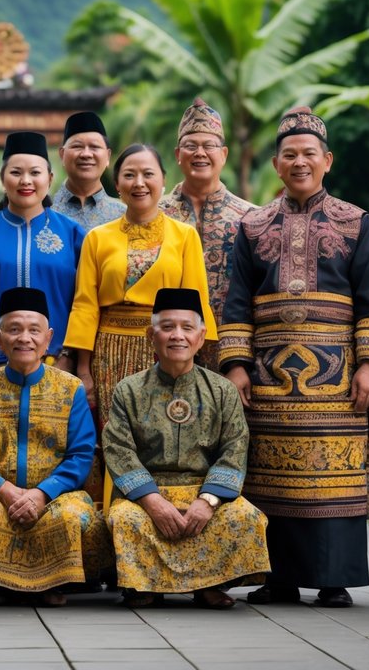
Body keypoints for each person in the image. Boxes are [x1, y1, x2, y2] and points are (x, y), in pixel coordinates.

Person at [219, 106, 369, 608]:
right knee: (270, 473)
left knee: (332, 472)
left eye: (308, 154)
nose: (299, 162)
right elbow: (236, 301)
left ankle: (334, 579)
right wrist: (235, 365)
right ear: (276, 163)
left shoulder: (356, 222)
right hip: (269, 371)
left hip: (336, 373)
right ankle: (279, 577)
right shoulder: (252, 226)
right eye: (289, 154)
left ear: (327, 160)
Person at [64, 143, 216, 508]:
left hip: (167, 351)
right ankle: (112, 525)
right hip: (109, 351)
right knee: (112, 439)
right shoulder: (98, 238)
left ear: (164, 181)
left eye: (149, 174)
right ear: (117, 183)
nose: (139, 182)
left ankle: (163, 514)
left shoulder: (185, 235)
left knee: (166, 433)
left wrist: (199, 362)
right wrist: (83, 369)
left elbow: (198, 303)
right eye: (130, 174)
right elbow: (85, 305)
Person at [102, 288, 269, 609]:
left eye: (187, 327)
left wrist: (207, 501)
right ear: (151, 335)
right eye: (167, 327)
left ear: (202, 336)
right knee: (125, 518)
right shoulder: (129, 390)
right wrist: (153, 502)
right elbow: (119, 450)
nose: (177, 336)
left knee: (246, 517)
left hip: (204, 492)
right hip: (146, 494)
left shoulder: (222, 390)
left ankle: (211, 585)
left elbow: (235, 448)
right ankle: (143, 585)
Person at [0, 287, 104, 605]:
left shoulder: (70, 388)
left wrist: (41, 493)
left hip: (56, 494)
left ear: (48, 338)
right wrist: (4, 490)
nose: (24, 339)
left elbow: (80, 454)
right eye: (14, 329)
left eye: (34, 330)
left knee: (71, 518)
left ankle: (52, 584)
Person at [0, 132, 86, 379]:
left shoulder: (72, 233)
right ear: (2, 178)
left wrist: (69, 356)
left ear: (50, 178)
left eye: (35, 173)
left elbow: (83, 303)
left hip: (57, 362)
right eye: (16, 173)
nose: (26, 181)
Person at [159, 98, 255, 370]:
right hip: (166, 347)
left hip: (230, 351)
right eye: (191, 146)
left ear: (223, 154)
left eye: (208, 146)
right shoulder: (154, 214)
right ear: (178, 154)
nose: (200, 153)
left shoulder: (252, 217)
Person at [50, 111, 126, 228]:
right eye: (77, 146)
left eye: (94, 147)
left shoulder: (124, 214)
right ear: (62, 155)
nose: (86, 154)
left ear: (108, 157)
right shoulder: (43, 210)